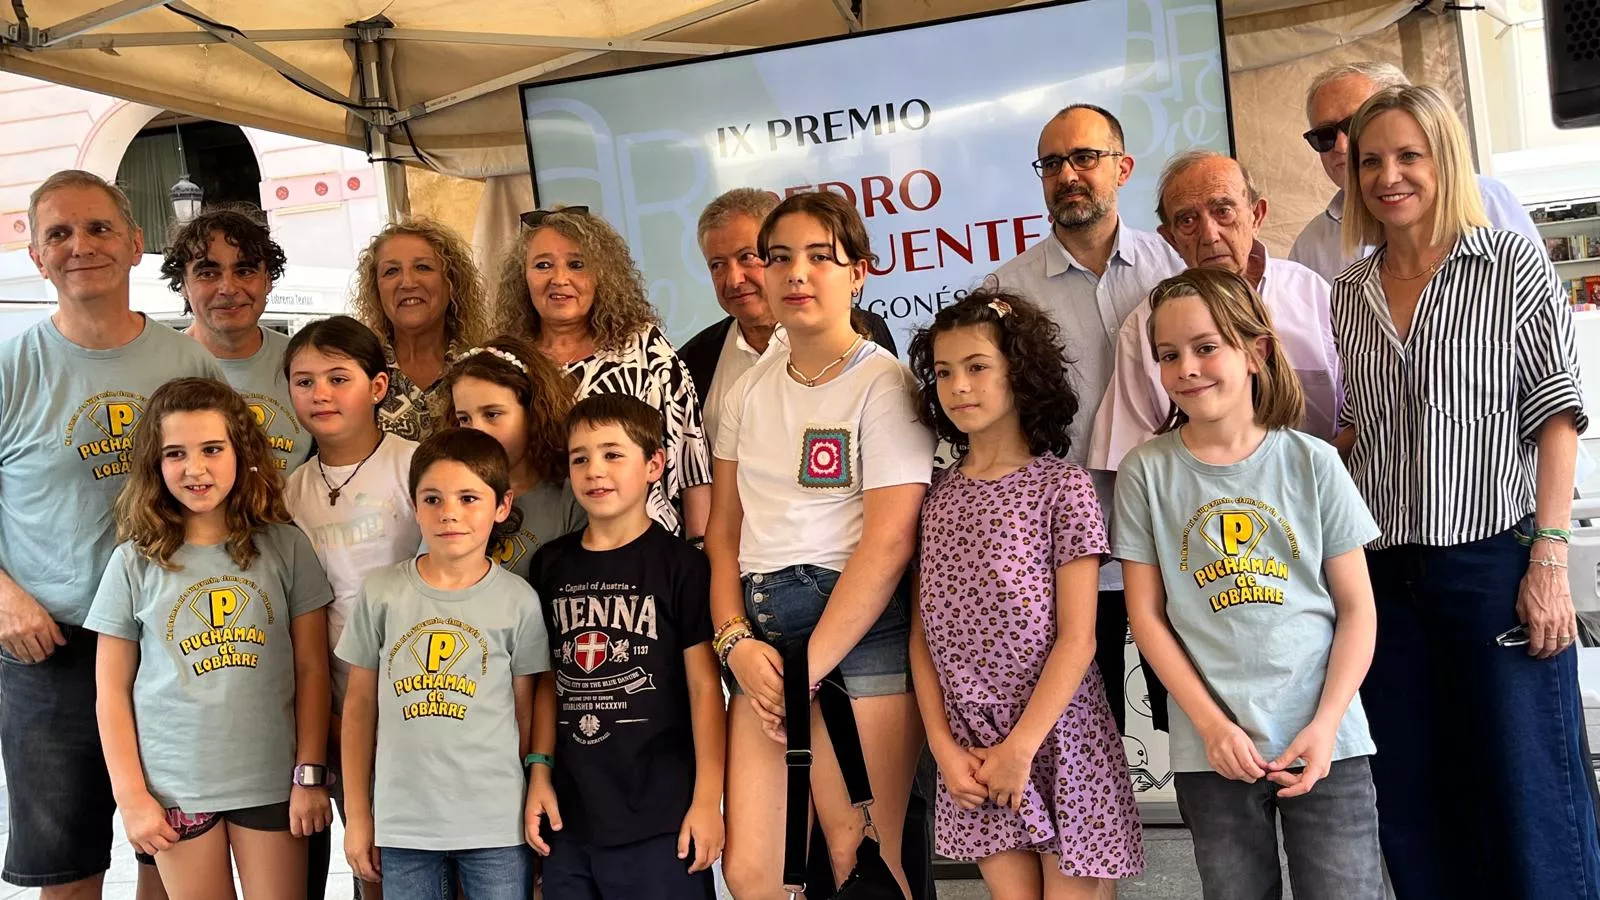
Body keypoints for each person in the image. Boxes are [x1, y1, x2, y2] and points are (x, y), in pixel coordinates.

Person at [1332, 84, 1600, 899]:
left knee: (1531, 794)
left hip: (1493, 566)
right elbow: (1364, 431)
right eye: (1371, 160)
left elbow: (1557, 414)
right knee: (1415, 801)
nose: (1388, 176)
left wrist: (1548, 559)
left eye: (1408, 156)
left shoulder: (1510, 262)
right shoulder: (1349, 291)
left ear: (1444, 161)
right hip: (1385, 576)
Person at [1114, 269, 1383, 900]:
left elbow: (1357, 609)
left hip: (1327, 741)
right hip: (1211, 749)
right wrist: (1211, 726)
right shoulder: (1145, 472)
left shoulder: (1313, 461)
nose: (1186, 368)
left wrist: (1326, 724)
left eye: (1206, 347)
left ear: (1256, 351)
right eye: (1168, 355)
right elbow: (1147, 616)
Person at [0, 169, 224, 899]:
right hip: (51, 648)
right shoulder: (11, 368)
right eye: (59, 233)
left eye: (98, 228)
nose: (80, 246)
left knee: (170, 851)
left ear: (134, 243)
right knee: (67, 869)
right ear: (36, 256)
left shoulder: (186, 363)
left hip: (171, 642)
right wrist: (4, 597)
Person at [708, 191, 935, 900]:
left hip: (856, 639)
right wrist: (733, 643)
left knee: (859, 859)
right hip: (763, 648)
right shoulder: (746, 390)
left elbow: (890, 543)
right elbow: (723, 532)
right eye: (779, 258)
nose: (795, 274)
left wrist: (808, 668)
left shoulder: (885, 385)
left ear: (858, 272)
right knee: (753, 872)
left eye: (819, 257)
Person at [907, 290, 1145, 898]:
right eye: (943, 372)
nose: (958, 386)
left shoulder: (1062, 488)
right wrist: (943, 747)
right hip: (973, 748)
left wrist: (1021, 747)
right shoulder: (932, 497)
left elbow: (1078, 639)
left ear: (1020, 372)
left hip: (1059, 739)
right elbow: (922, 637)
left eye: (977, 366)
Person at [85, 378, 335, 898]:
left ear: (242, 453)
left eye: (212, 449)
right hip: (177, 787)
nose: (195, 469)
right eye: (175, 453)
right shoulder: (133, 561)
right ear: (155, 464)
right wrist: (131, 798)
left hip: (272, 779)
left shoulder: (286, 548)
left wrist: (310, 774)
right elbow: (110, 691)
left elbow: (312, 670)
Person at [989, 103, 1184, 735]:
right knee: (1088, 738)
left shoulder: (1175, 269)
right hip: (1071, 559)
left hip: (1179, 541)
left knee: (1189, 729)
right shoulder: (1004, 296)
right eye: (1052, 164)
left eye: (1085, 158)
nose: (1068, 175)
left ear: (1122, 168)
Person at [336, 428, 551, 900]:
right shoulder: (382, 593)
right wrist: (359, 815)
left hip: (496, 826)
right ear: (414, 505)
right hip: (404, 827)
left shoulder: (518, 601)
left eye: (468, 498)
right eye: (432, 499)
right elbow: (358, 710)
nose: (449, 513)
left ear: (502, 505)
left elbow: (524, 718)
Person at [525, 394, 725, 899]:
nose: (595, 470)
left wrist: (708, 801)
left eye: (613, 454)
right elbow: (549, 681)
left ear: (654, 464)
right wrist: (539, 772)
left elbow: (705, 690)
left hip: (660, 816)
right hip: (571, 816)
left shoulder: (683, 566)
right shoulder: (549, 565)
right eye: (580, 458)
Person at [281, 315, 421, 900]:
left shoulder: (416, 466)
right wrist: (335, 722)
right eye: (304, 381)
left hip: (427, 695)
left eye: (338, 378)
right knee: (373, 862)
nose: (321, 394)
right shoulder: (290, 493)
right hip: (341, 705)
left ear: (378, 386)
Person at [1091, 150, 1341, 473]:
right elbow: (1122, 462)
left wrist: (1311, 478)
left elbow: (1360, 418)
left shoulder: (1313, 294)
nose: (1209, 235)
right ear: (1171, 239)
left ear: (1256, 216)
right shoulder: (1146, 325)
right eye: (1188, 220)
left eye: (1223, 211)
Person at [497, 206, 711, 538]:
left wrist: (698, 549)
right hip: (534, 545)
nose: (559, 279)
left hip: (646, 547)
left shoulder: (644, 348)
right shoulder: (506, 361)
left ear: (602, 274)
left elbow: (690, 459)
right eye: (542, 265)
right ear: (522, 277)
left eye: (576, 264)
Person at [681, 188, 898, 446]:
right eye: (717, 265)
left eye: (747, 257)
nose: (734, 280)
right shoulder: (692, 360)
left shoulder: (864, 333)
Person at [1289, 62, 1540, 284]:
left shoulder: (1486, 200)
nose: (1342, 146)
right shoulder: (1311, 247)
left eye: (1355, 125)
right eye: (1324, 135)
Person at [164, 206, 311, 473]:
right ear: (183, 285)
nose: (228, 288)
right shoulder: (158, 369)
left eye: (244, 271)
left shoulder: (303, 363)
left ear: (267, 281)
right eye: (208, 273)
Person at [440, 336, 586, 580]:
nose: (477, 432)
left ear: (533, 412)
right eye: (464, 419)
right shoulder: (449, 491)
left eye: (492, 414)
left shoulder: (571, 497)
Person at [352, 218, 494, 441]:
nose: (407, 283)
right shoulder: (356, 370)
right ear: (375, 289)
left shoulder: (488, 365)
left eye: (423, 267)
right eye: (391, 271)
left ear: (452, 282)